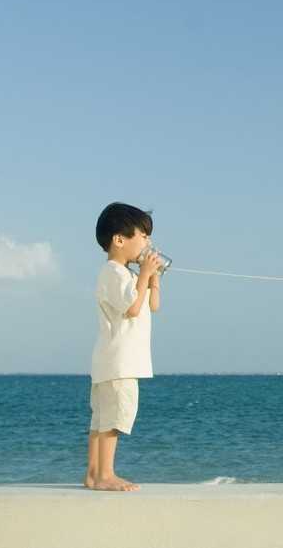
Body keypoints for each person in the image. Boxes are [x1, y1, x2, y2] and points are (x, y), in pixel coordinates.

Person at [84, 202, 165, 491]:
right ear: (119, 239)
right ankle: (105, 474)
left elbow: (151, 306)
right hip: (120, 362)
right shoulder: (113, 273)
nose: (148, 244)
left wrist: (152, 280)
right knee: (113, 419)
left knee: (102, 418)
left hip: (114, 360)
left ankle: (93, 474)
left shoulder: (129, 276)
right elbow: (132, 308)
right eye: (143, 236)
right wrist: (143, 275)